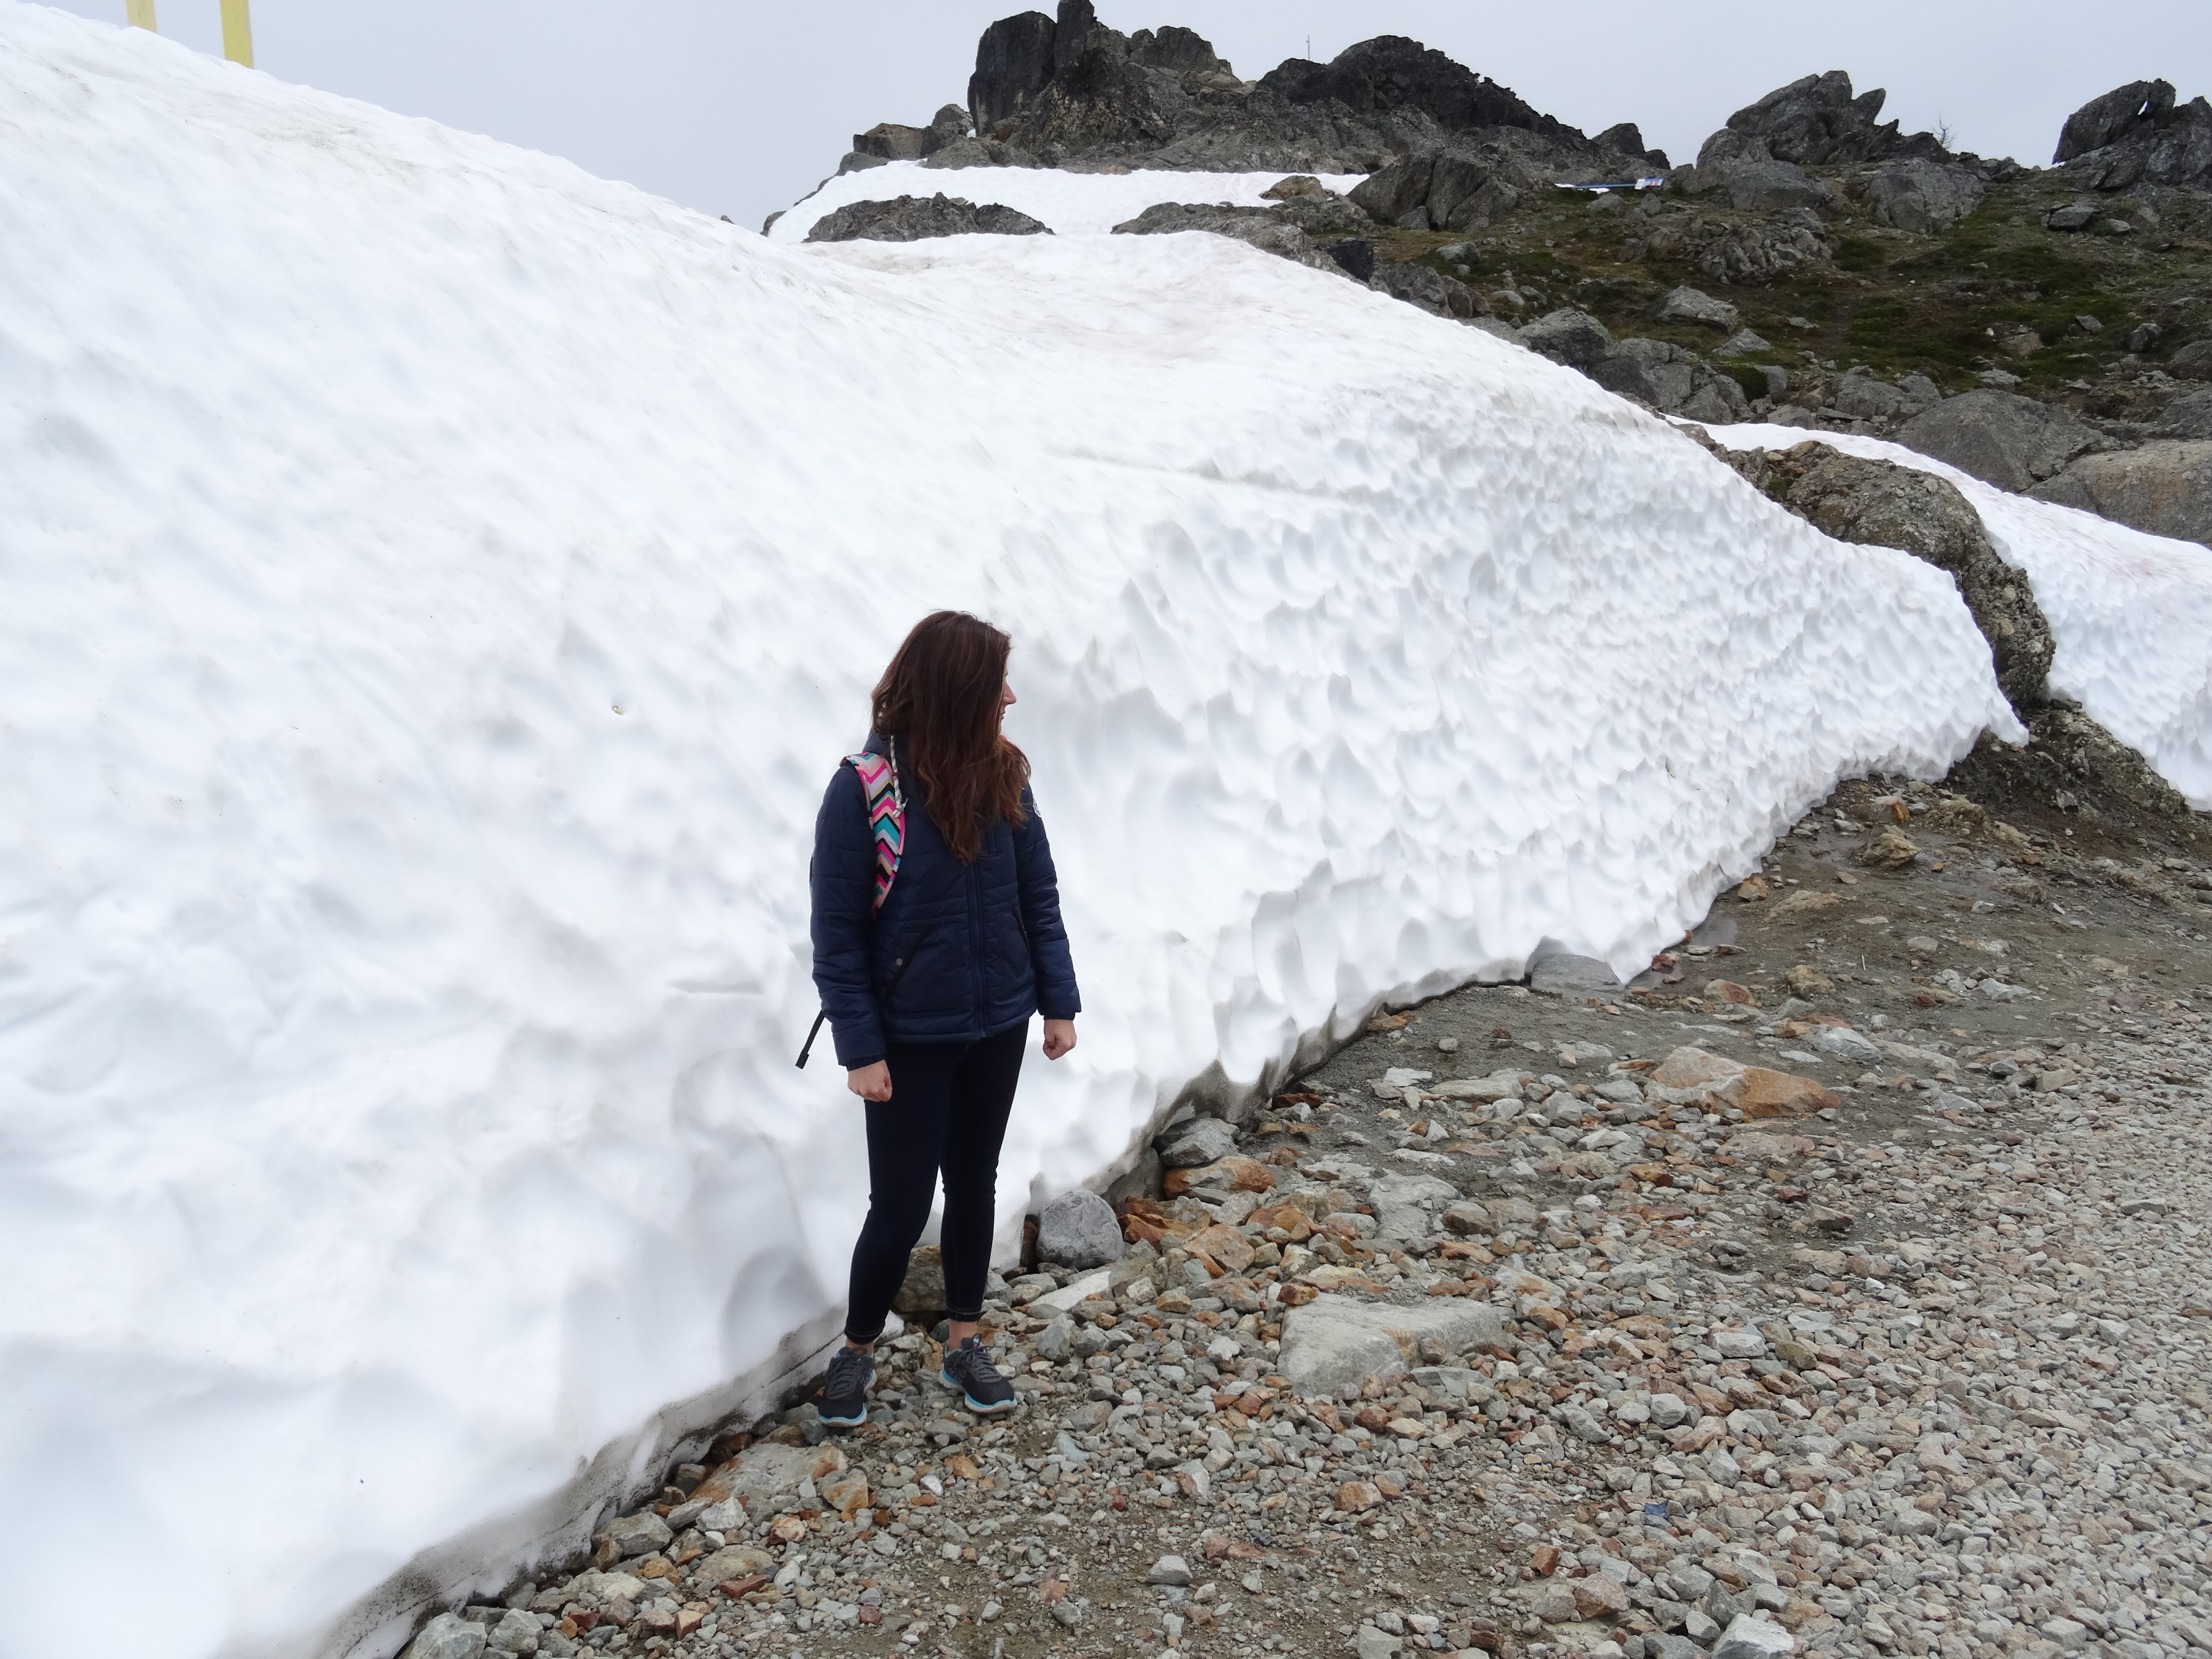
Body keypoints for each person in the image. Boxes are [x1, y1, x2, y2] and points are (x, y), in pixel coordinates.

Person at [808, 611, 1080, 1426]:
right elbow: (837, 936)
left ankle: (965, 1342)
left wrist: (1057, 1002)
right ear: (960, 691)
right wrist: (860, 1047)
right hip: (909, 1040)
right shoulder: (865, 790)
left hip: (996, 1022)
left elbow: (1037, 895)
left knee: (974, 1186)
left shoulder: (1004, 775)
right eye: (996, 682)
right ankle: (855, 1352)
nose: (1011, 695)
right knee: (897, 1206)